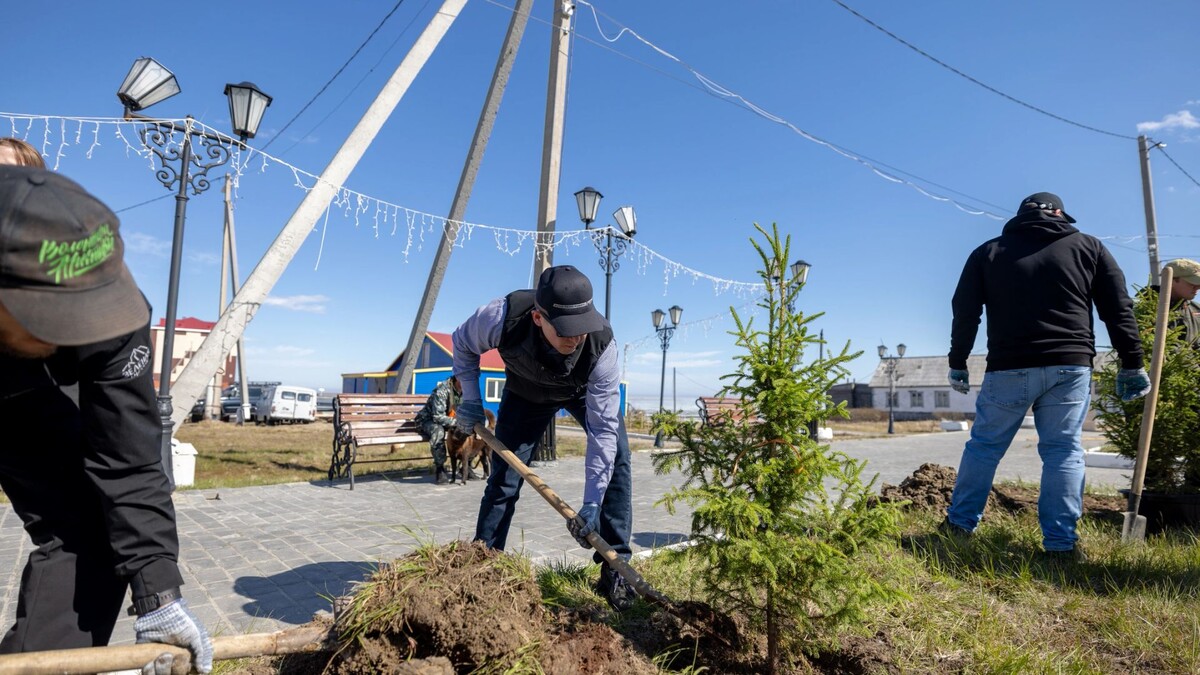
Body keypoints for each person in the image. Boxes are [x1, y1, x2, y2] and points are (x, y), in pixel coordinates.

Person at [0, 163, 212, 672]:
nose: (76, 332)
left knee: (92, 529)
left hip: (22, 392)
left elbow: (129, 457)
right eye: (55, 318)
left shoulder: (110, 308)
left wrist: (160, 594)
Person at [943, 192, 1149, 561]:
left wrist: (958, 360)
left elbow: (965, 311)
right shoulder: (1089, 248)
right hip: (1069, 365)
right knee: (1064, 451)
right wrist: (1132, 362)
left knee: (984, 448)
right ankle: (1061, 546)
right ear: (1060, 215)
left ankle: (958, 529)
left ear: (1020, 216)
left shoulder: (988, 252)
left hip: (1009, 366)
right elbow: (1117, 309)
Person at [451, 265, 635, 610]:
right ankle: (483, 565)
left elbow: (603, 433)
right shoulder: (500, 317)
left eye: (581, 329)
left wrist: (592, 501)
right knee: (504, 477)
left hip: (580, 393)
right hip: (526, 394)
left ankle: (615, 567)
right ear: (538, 317)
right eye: (565, 330)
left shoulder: (602, 346)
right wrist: (472, 400)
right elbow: (462, 343)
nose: (575, 338)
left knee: (619, 459)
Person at [414, 374, 462, 484]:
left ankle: (466, 466)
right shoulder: (442, 390)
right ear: (458, 378)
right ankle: (440, 468)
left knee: (467, 430)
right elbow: (437, 417)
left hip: (448, 420)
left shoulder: (466, 390)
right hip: (427, 420)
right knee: (438, 431)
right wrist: (457, 422)